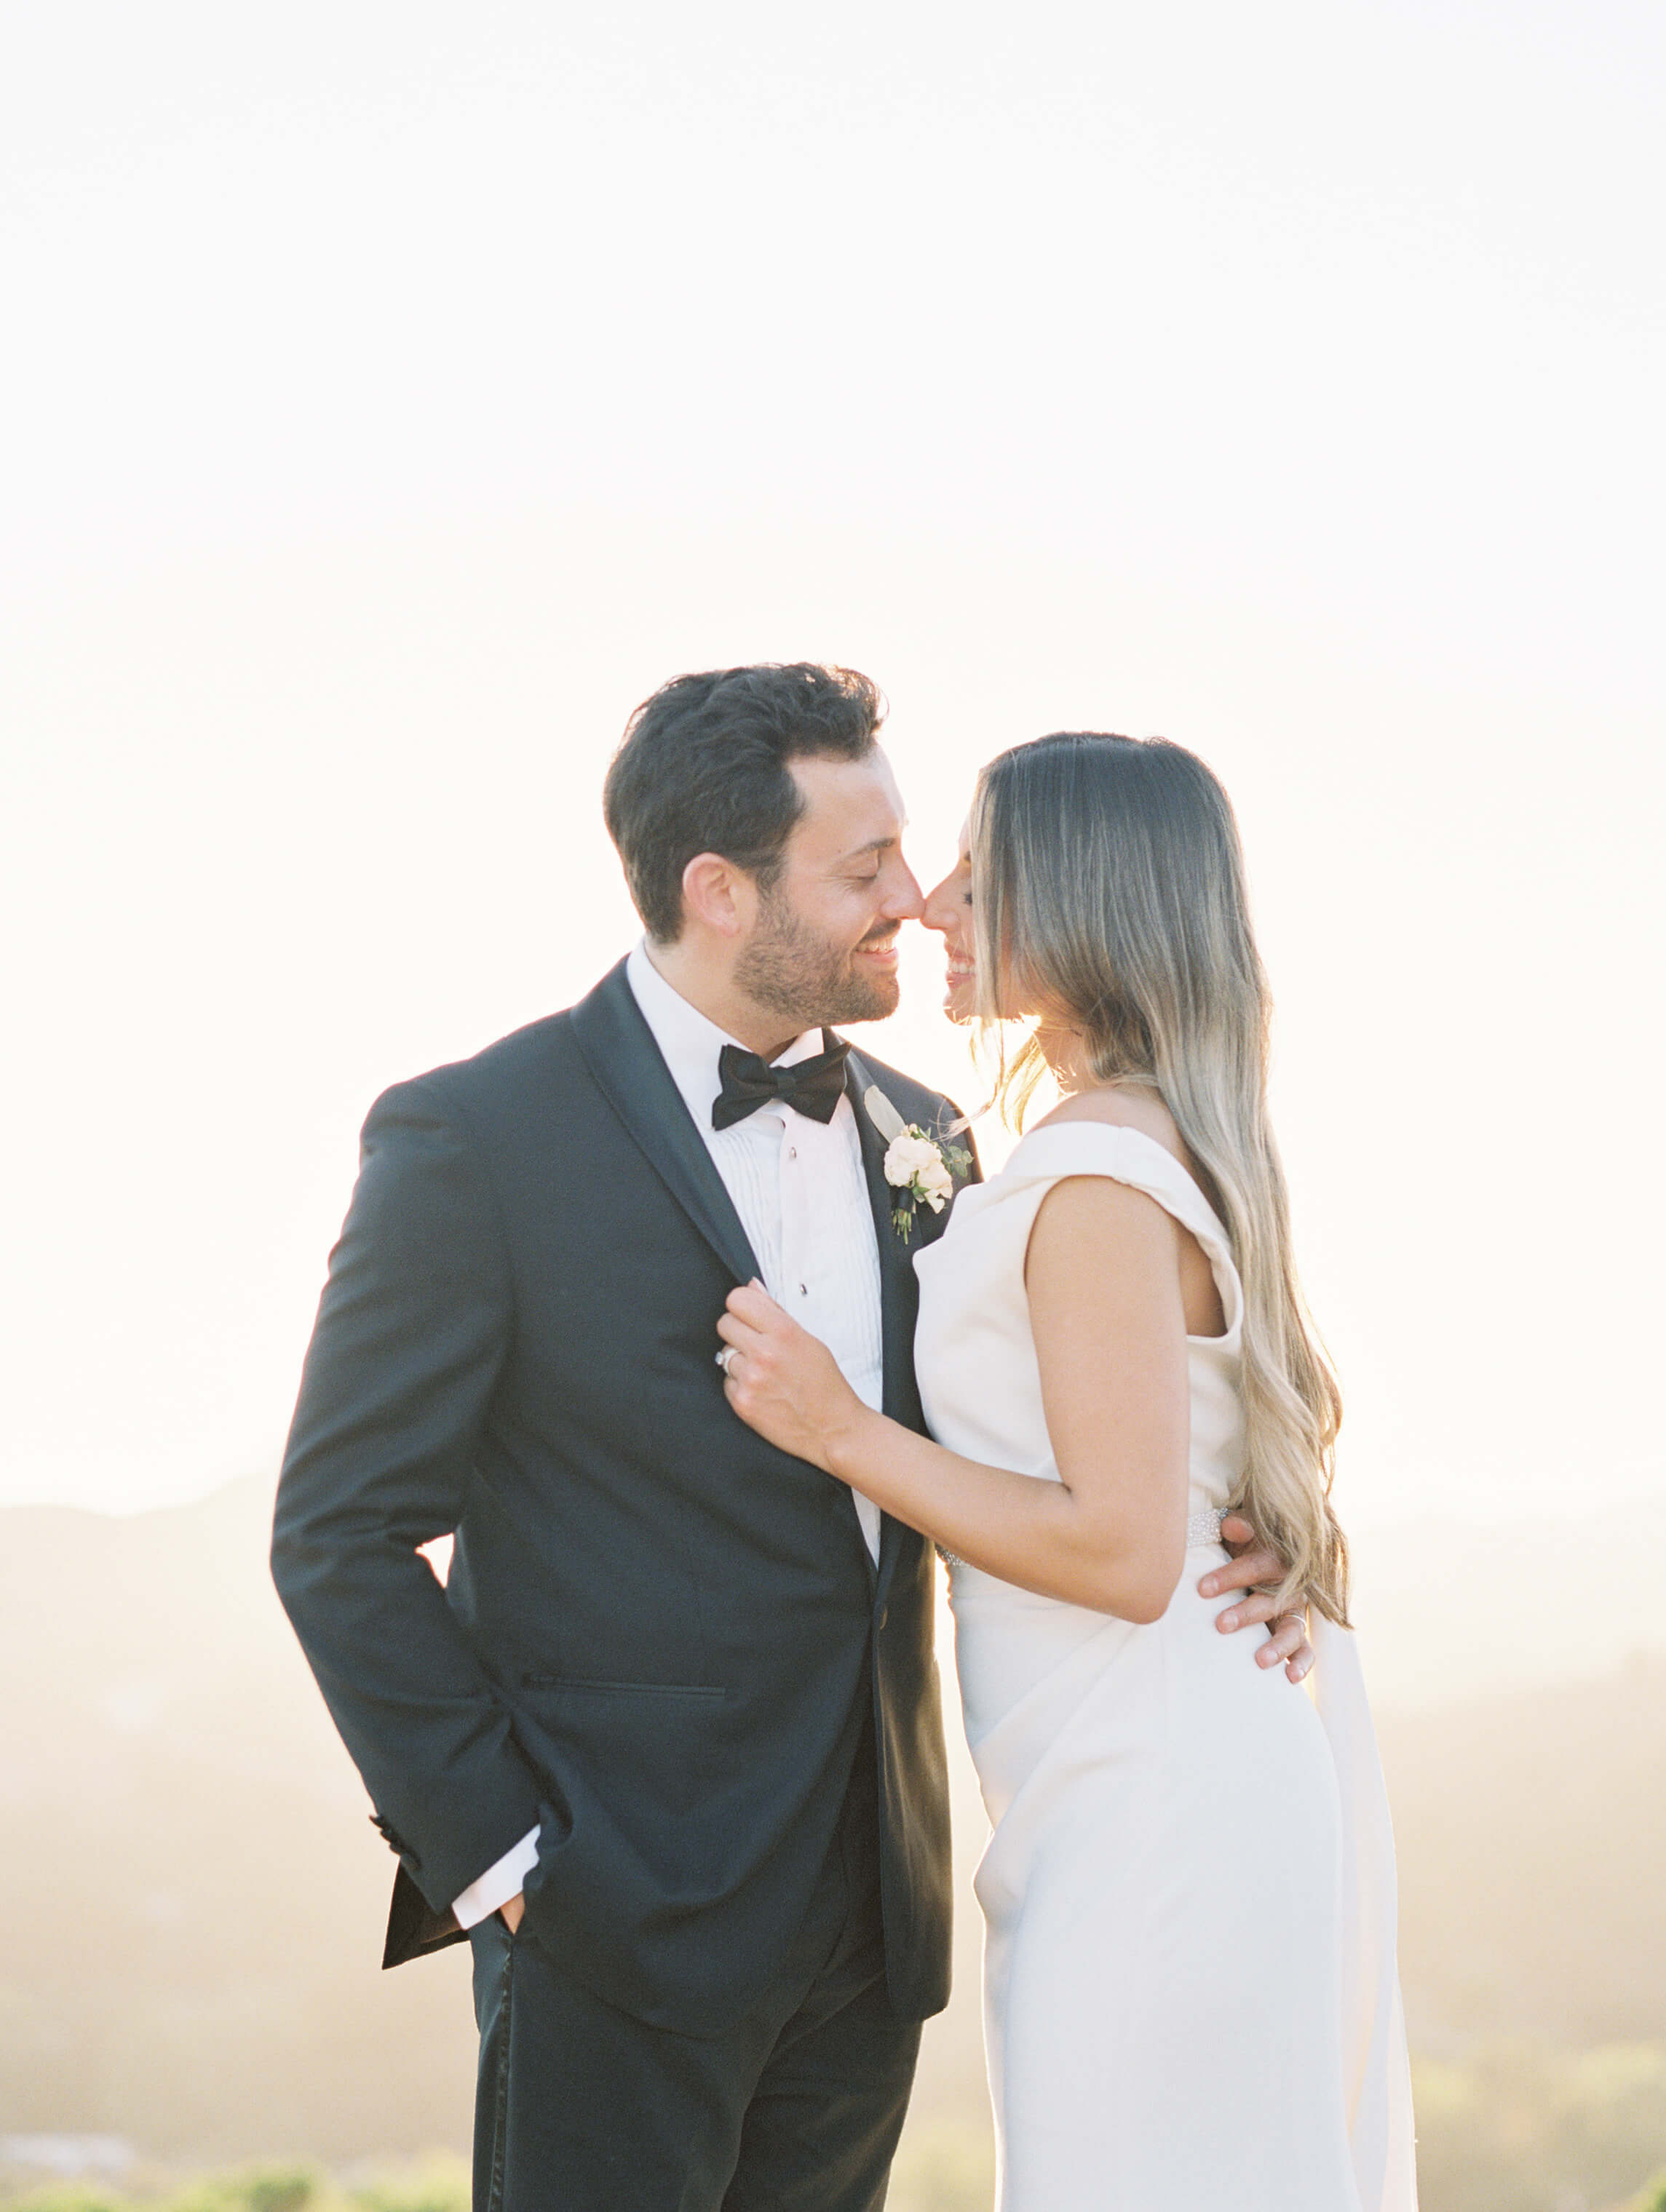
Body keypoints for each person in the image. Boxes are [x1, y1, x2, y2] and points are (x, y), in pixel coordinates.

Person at [271, 671, 1319, 2212]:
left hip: (872, 1922)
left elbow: (1074, 1415)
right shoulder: (476, 1139)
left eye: (904, 851)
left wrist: (1247, 1520)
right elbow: (338, 1533)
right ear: (716, 889)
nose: (910, 896)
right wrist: (500, 1864)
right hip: (606, 1920)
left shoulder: (931, 1134)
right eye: (860, 868)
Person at [719, 730, 1418, 2210]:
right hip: (1132, 1770)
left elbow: (1118, 1547)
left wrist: (843, 1429)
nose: (934, 901)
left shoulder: (1097, 1169)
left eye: (981, 867)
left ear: (1082, 894)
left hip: (1149, 1798)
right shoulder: (1126, 1138)